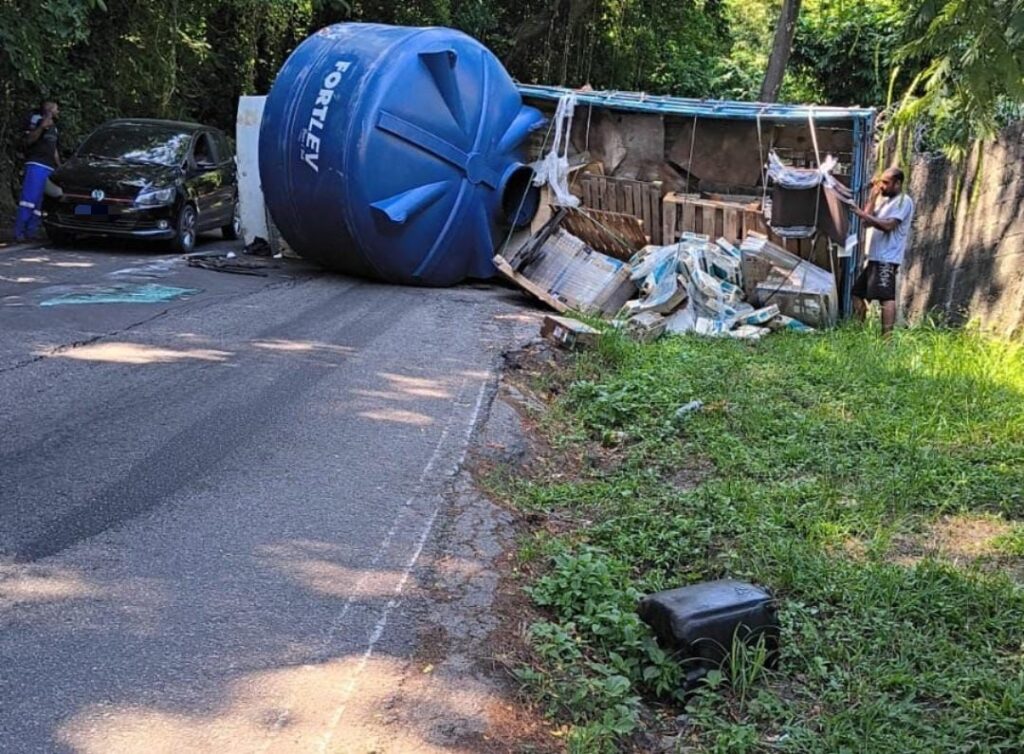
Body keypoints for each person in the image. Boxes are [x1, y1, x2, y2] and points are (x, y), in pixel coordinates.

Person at [846, 167, 914, 337]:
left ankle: (887, 339)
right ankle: (858, 332)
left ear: (898, 184)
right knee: (856, 293)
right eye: (881, 181)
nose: (881, 185)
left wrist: (860, 213)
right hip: (876, 257)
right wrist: (872, 197)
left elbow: (888, 226)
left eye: (886, 182)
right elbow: (866, 223)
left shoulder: (903, 202)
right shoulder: (886, 203)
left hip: (887, 257)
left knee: (886, 297)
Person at [14, 100, 61, 242]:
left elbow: (54, 150)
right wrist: (41, 127)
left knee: (39, 203)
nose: (58, 111)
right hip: (36, 165)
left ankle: (32, 232)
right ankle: (19, 232)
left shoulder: (55, 128)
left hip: (49, 168)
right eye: (56, 109)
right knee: (29, 200)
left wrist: (60, 167)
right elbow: (28, 140)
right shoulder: (37, 120)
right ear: (50, 109)